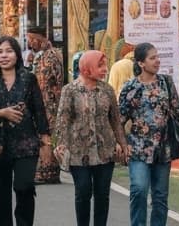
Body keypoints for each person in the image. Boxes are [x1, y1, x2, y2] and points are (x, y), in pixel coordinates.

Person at [117, 43, 179, 226]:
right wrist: (120, 143)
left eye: (157, 57)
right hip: (138, 149)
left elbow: (178, 111)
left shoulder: (166, 83)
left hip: (163, 149)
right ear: (141, 63)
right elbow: (119, 119)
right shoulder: (130, 88)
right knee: (139, 190)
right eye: (152, 58)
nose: (157, 61)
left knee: (160, 196)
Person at [53, 50, 126, 226]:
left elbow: (115, 120)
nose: (105, 69)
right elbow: (62, 119)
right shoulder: (70, 90)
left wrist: (122, 143)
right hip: (78, 151)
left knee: (102, 194)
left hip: (105, 150)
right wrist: (61, 144)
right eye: (100, 65)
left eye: (105, 65)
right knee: (83, 191)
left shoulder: (107, 90)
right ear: (86, 68)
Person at [0, 36, 49, 226]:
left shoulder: (28, 78)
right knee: (0, 195)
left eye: (9, 51)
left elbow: (39, 109)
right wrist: (0, 113)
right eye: (0, 52)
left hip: (26, 143)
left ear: (17, 54)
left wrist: (46, 141)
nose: (4, 56)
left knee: (24, 186)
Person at [24, 27, 63, 186]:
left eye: (32, 39)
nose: (30, 43)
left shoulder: (53, 55)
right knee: (41, 135)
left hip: (50, 103)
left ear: (40, 38)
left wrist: (55, 102)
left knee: (48, 135)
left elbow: (57, 81)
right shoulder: (39, 56)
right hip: (40, 102)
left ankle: (49, 172)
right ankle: (43, 171)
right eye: (29, 39)